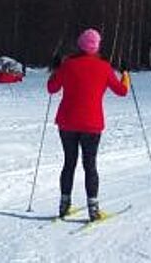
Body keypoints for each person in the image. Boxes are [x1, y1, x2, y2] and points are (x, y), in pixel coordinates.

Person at [47, 28, 130, 221]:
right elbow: (122, 91)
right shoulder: (104, 67)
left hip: (67, 122)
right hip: (91, 124)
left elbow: (52, 89)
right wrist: (125, 73)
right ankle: (93, 209)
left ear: (80, 45)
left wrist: (56, 69)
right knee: (90, 165)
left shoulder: (68, 65)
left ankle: (64, 205)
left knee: (69, 163)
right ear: (96, 47)